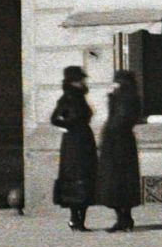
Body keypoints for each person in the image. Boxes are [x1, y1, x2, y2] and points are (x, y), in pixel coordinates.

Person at [48, 66, 97, 231]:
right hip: (73, 144)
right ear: (72, 81)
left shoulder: (81, 97)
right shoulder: (67, 98)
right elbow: (54, 119)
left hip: (85, 142)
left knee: (86, 178)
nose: (82, 82)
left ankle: (80, 220)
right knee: (75, 179)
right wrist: (70, 126)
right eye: (79, 79)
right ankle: (74, 219)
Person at [96, 70, 144, 233]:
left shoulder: (123, 98)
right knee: (123, 182)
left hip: (116, 144)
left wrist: (111, 99)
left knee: (115, 181)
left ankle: (122, 219)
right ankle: (125, 218)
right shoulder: (131, 97)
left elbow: (117, 120)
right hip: (124, 143)